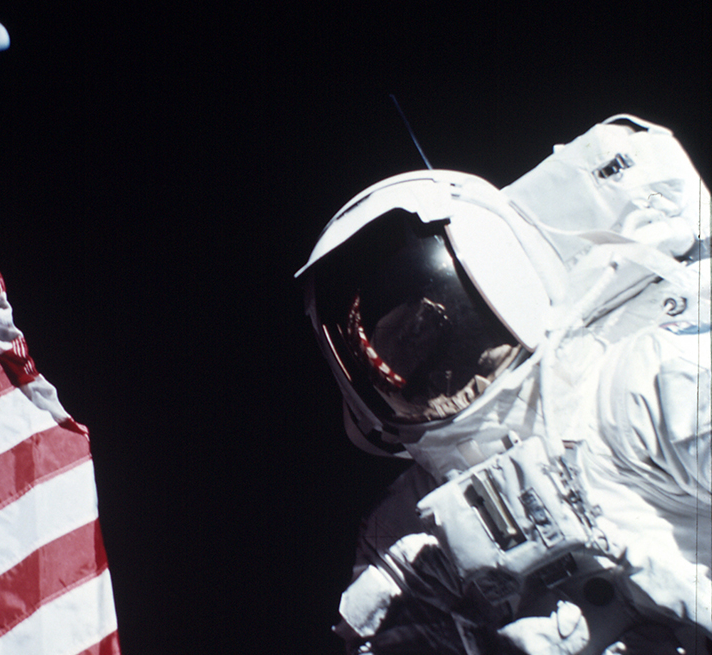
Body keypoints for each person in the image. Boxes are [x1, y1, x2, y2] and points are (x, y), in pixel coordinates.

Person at [296, 115, 709, 655]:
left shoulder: (640, 391)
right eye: (380, 342)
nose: (413, 348)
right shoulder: (403, 532)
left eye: (431, 317)